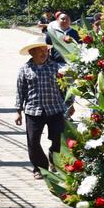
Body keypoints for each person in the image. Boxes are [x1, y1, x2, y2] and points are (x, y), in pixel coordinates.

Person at [14, 40, 65, 178]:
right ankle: (40, 167)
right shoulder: (25, 69)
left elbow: (65, 87)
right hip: (33, 110)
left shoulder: (56, 67)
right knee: (33, 141)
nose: (44, 53)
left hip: (55, 109)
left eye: (46, 51)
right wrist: (18, 111)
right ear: (32, 53)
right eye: (40, 51)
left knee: (58, 139)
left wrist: (69, 105)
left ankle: (55, 161)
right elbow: (20, 91)